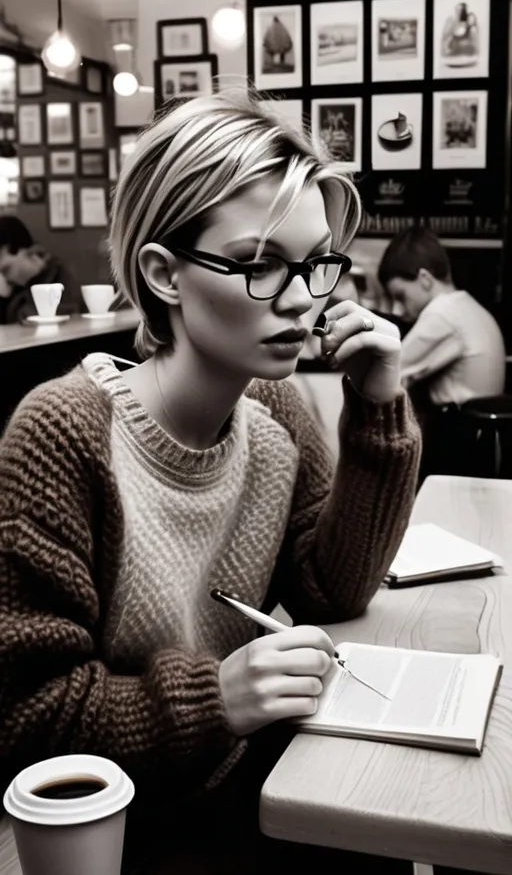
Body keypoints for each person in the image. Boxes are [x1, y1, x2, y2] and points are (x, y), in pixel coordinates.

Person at [0, 91, 421, 875]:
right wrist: (214, 698)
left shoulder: (275, 413)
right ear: (163, 275)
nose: (303, 299)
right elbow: (27, 719)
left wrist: (377, 412)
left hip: (243, 773)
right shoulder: (62, 433)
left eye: (315, 264)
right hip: (128, 819)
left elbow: (333, 587)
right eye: (261, 263)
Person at [378, 229, 505, 407]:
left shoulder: (443, 313)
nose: (397, 310)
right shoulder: (467, 306)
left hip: (455, 428)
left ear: (425, 279)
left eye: (401, 296)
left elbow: (388, 373)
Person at [0, 215, 75, 323]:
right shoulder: (16, 288)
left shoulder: (60, 277)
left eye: (6, 270)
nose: (6, 278)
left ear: (29, 253)